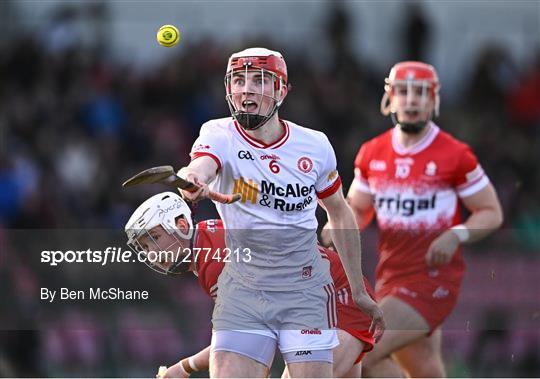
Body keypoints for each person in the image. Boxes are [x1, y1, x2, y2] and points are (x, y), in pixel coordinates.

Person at [174, 46, 383, 378]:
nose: (246, 89)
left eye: (259, 80)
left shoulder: (315, 145)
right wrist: (192, 179)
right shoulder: (218, 133)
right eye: (239, 81)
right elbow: (199, 167)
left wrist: (357, 290)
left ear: (281, 90)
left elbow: (339, 213)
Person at [321, 61, 503, 377]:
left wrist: (455, 235)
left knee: (361, 347)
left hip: (433, 279)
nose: (411, 100)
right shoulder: (371, 153)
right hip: (390, 278)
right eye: (403, 92)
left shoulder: (455, 154)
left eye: (420, 93)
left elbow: (491, 212)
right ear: (389, 98)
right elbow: (359, 210)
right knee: (424, 371)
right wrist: (334, 228)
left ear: (433, 101)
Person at [124, 192, 377, 378]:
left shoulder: (214, 260)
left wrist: (184, 367)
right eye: (145, 247)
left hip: (337, 304)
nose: (151, 252)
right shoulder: (205, 242)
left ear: (180, 225)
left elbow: (238, 341)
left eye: (154, 239)